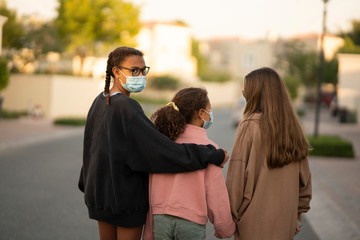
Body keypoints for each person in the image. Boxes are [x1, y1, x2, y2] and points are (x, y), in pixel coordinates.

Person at [78, 46, 229, 240]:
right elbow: (162, 152)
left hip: (101, 196)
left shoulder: (101, 100)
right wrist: (212, 154)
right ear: (116, 71)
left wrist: (87, 184)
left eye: (143, 70)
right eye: (134, 70)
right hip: (125, 201)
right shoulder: (127, 107)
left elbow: (89, 147)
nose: (140, 75)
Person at [225, 67, 312, 240]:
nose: (245, 96)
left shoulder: (249, 125)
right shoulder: (294, 129)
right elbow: (305, 184)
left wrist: (228, 219)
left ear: (255, 93)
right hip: (285, 225)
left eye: (246, 92)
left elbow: (236, 181)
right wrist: (297, 215)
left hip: (252, 226)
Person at [143, 87, 235, 240]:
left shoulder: (163, 145)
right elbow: (216, 195)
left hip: (160, 221)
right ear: (200, 113)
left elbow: (151, 189)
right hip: (191, 223)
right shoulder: (211, 150)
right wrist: (224, 228)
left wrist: (148, 233)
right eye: (209, 109)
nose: (210, 113)